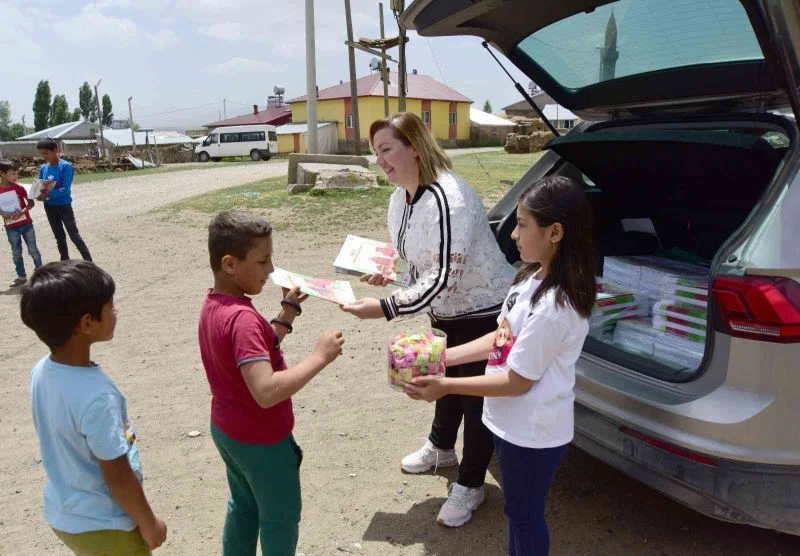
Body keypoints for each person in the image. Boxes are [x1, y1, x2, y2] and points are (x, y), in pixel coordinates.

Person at [341, 112, 516, 527]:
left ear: (414, 148)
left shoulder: (449, 198)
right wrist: (390, 273)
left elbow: (443, 275)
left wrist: (385, 307)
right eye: (375, 152)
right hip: (444, 309)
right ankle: (441, 447)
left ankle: (471, 485)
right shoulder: (401, 196)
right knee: (443, 379)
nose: (379, 160)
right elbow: (421, 265)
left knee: (474, 398)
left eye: (386, 150)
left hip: (484, 309)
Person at [405, 176, 596, 556]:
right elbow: (500, 339)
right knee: (517, 511)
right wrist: (443, 358)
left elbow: (516, 381)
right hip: (510, 423)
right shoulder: (529, 278)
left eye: (523, 224)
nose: (513, 234)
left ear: (555, 232)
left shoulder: (556, 306)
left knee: (524, 516)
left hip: (533, 432)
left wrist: (447, 386)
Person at [199, 210, 345, 555]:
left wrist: (287, 312)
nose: (270, 270)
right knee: (280, 517)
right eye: (263, 261)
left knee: (244, 506)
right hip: (262, 439)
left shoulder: (216, 305)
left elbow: (254, 350)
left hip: (228, 430)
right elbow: (265, 391)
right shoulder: (244, 320)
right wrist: (319, 357)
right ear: (230, 264)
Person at [21, 260, 167, 555]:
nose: (116, 311)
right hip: (107, 525)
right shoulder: (98, 397)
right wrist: (148, 522)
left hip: (67, 513)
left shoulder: (42, 370)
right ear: (87, 323)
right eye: (110, 306)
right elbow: (117, 474)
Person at [36, 139, 92, 261]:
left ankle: (89, 261)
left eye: (46, 153)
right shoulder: (43, 168)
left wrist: (49, 193)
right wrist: (37, 193)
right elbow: (41, 185)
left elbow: (65, 189)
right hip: (49, 207)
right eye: (42, 154)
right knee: (59, 236)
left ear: (55, 150)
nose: (44, 156)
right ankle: (65, 260)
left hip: (64, 206)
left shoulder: (66, 166)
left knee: (74, 235)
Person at [0, 160, 42, 287]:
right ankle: (21, 276)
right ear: (1, 173)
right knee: (16, 252)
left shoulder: (19, 187)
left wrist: (22, 212)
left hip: (26, 224)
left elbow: (31, 203)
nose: (15, 177)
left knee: (33, 249)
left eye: (17, 174)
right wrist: (2, 213)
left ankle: (40, 274)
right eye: (12, 174)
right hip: (11, 227)